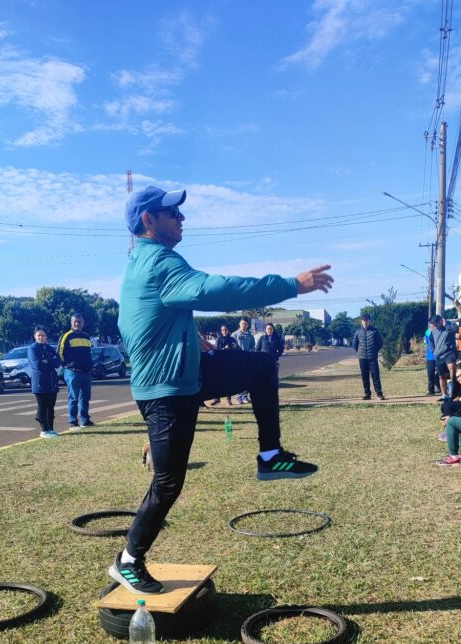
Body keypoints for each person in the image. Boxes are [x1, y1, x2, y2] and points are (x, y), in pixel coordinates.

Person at [110, 183, 333, 596]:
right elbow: (217, 289)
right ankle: (128, 560)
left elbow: (148, 319)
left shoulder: (142, 262)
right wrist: (291, 284)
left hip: (187, 372)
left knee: (262, 365)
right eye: (172, 214)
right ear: (149, 221)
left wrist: (192, 339)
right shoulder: (159, 262)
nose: (181, 219)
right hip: (166, 389)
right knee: (168, 483)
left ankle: (270, 456)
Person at [58, 313, 94, 429]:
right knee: (73, 398)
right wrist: (68, 365)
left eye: (79, 322)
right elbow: (60, 353)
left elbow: (89, 353)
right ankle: (73, 422)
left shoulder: (86, 336)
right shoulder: (66, 336)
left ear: (83, 323)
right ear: (71, 323)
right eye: (75, 322)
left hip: (86, 373)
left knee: (85, 398)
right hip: (73, 372)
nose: (77, 324)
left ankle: (85, 420)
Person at [28, 326, 61, 437]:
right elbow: (38, 365)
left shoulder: (49, 348)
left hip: (52, 382)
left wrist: (48, 361)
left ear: (46, 336)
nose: (41, 337)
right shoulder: (33, 349)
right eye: (39, 335)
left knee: (51, 407)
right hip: (40, 383)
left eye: (43, 335)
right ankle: (44, 430)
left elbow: (58, 363)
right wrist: (49, 362)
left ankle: (50, 428)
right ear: (35, 336)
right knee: (42, 406)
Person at [352, 313, 385, 400]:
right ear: (361, 322)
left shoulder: (374, 331)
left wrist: (374, 351)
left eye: (366, 320)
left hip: (372, 357)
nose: (365, 322)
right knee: (365, 376)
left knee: (375, 376)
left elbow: (380, 343)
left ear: (369, 321)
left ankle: (379, 394)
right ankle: (367, 394)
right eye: (363, 321)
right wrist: (360, 352)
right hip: (362, 358)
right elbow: (354, 344)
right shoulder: (357, 332)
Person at [428, 314, 457, 399]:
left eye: (436, 323)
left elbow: (455, 328)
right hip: (439, 356)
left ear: (441, 321)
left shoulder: (448, 329)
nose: (435, 325)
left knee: (452, 368)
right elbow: (431, 341)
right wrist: (434, 351)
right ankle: (444, 395)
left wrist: (446, 324)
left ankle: (453, 388)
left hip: (449, 353)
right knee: (441, 376)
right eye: (433, 324)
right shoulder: (433, 332)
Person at [210, 324, 238, 406]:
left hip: (230, 363)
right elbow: (216, 351)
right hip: (220, 363)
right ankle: (217, 399)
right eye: (223, 330)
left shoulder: (232, 339)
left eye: (226, 330)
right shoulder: (218, 340)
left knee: (229, 382)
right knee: (218, 382)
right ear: (221, 331)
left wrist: (232, 347)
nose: (224, 331)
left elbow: (236, 349)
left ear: (228, 331)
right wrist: (224, 349)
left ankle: (228, 399)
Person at [233, 317, 255, 403]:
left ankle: (245, 396)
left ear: (248, 325)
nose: (243, 325)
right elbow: (232, 346)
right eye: (242, 323)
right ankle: (239, 397)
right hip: (238, 360)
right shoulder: (235, 334)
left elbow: (253, 347)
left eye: (245, 324)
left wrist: (250, 354)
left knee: (248, 378)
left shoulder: (251, 336)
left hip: (248, 360)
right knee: (238, 379)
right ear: (239, 324)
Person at [424, 323, 438, 395]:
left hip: (439, 355)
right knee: (430, 374)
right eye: (430, 324)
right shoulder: (427, 332)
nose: (432, 326)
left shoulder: (440, 331)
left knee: (440, 374)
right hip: (430, 356)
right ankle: (431, 390)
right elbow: (427, 342)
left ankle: (441, 389)